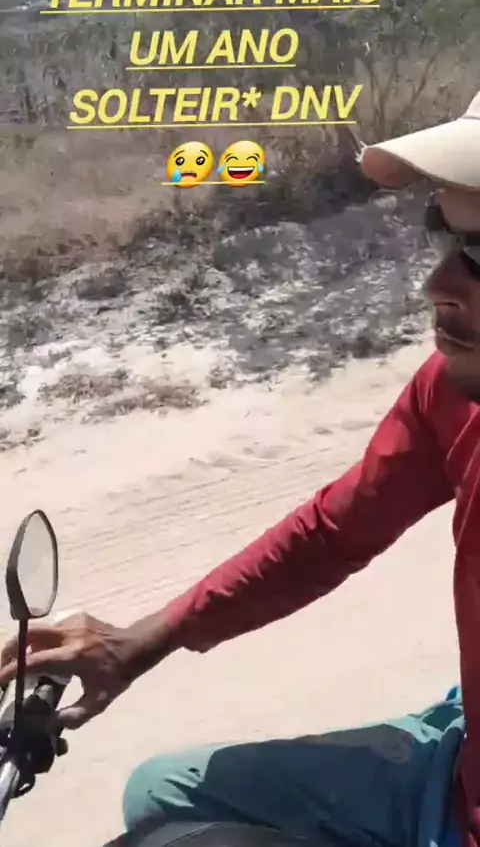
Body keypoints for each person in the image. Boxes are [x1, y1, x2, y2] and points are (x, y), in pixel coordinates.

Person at [4, 92, 480, 847]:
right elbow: (333, 532)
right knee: (159, 794)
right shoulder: (452, 391)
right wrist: (144, 641)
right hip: (456, 752)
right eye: (447, 236)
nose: (438, 286)